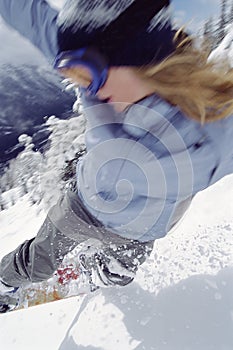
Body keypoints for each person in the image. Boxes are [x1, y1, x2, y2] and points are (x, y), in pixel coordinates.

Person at [0, 0, 233, 313]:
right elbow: (32, 16)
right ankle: (5, 282)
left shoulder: (215, 134)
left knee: (119, 272)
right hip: (82, 207)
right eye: (74, 76)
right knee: (39, 258)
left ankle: (100, 269)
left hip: (140, 231)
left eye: (88, 73)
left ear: (137, 56)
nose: (85, 89)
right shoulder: (101, 84)